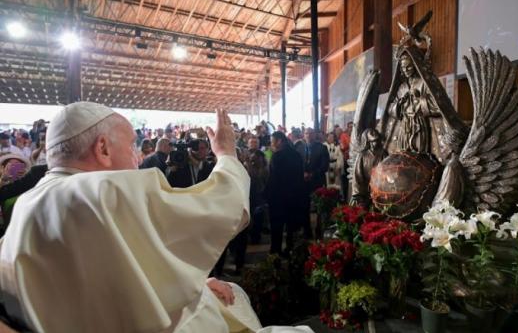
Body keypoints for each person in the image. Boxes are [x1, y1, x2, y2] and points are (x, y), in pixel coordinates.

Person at [0, 103, 260, 332]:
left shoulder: (29, 201)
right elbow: (218, 208)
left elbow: (108, 278)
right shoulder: (102, 190)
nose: (137, 155)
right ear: (102, 148)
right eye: (132, 144)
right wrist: (226, 155)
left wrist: (199, 285)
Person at [266, 131, 305, 254]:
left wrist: (266, 196)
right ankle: (290, 251)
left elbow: (273, 179)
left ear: (279, 141)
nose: (271, 145)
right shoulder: (296, 155)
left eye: (273, 142)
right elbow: (300, 177)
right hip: (294, 197)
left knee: (277, 228)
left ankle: (275, 252)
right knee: (291, 228)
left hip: (278, 199)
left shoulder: (277, 157)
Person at [301, 128, 330, 239]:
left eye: (311, 133)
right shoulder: (300, 148)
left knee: (319, 207)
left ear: (315, 135)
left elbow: (324, 166)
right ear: (304, 135)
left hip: (317, 181)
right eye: (306, 133)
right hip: (303, 183)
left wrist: (312, 174)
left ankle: (319, 229)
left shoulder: (322, 148)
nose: (308, 135)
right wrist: (302, 173)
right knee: (304, 207)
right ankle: (306, 230)